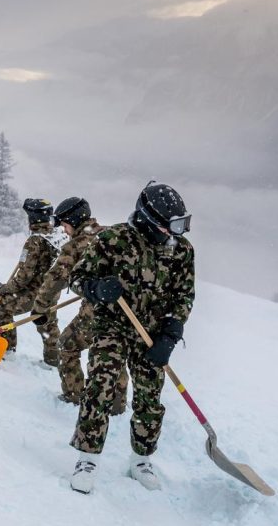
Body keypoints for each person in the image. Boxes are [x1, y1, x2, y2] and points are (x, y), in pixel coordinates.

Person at [66, 182, 195, 494]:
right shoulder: (113, 239)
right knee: (100, 387)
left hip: (152, 333)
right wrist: (97, 289)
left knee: (150, 397)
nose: (173, 234)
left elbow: (184, 295)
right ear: (148, 219)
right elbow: (77, 278)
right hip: (111, 326)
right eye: (169, 227)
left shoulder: (181, 250)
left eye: (179, 226)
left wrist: (171, 333)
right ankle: (87, 458)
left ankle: (141, 460)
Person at [31, 197, 128, 412]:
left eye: (65, 225)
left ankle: (74, 395)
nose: (65, 231)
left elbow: (54, 279)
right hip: (127, 311)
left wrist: (39, 308)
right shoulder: (110, 234)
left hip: (97, 312)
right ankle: (117, 405)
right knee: (114, 351)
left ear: (74, 221)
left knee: (66, 345)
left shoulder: (76, 245)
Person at [0, 199, 61, 361]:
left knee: (2, 312)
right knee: (48, 323)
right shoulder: (56, 236)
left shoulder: (34, 241)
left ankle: (7, 351)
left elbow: (23, 277)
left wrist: (4, 288)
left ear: (32, 218)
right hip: (52, 290)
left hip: (35, 293)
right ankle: (53, 360)